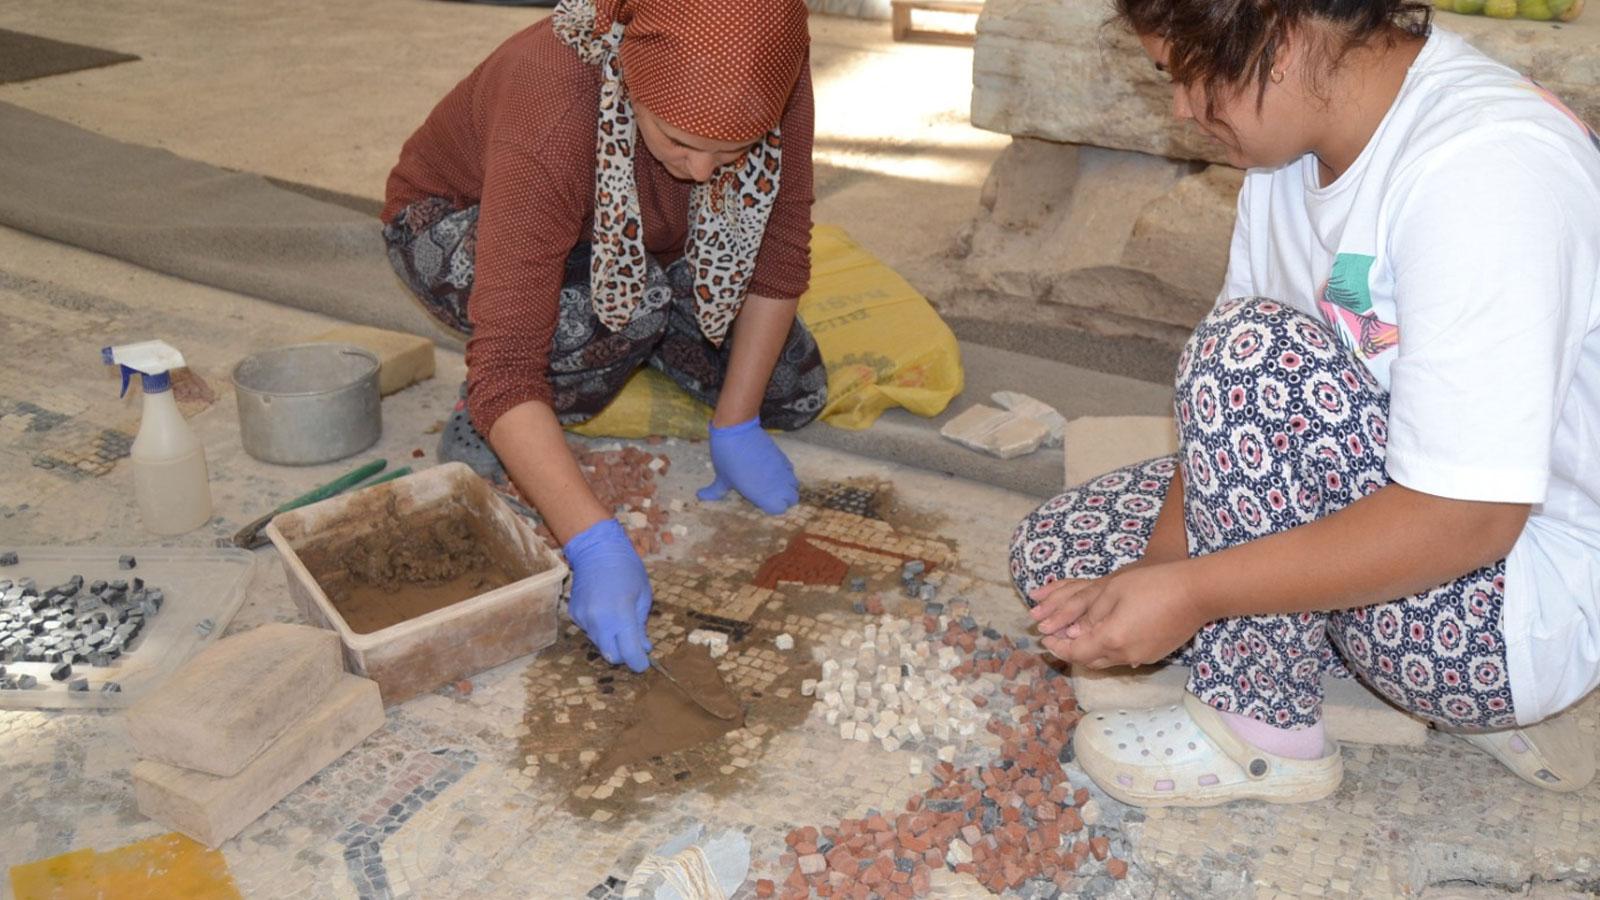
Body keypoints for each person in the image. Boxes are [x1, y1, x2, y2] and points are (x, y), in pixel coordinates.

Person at [1011, 0, 1600, 805]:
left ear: (1279, 40)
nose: (1182, 107)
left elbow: (1471, 516)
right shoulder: (1291, 158)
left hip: (1511, 597)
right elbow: (1228, 418)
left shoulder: (1487, 170)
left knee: (1253, 355)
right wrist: (1153, 574)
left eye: (1188, 73)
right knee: (1065, 560)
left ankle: (1263, 733)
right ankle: (1302, 639)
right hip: (1389, 498)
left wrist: (1193, 593)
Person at [381, 0, 827, 675]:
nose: (703, 173)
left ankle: (619, 341)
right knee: (624, 313)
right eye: (680, 141)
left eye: (732, 153)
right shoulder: (552, 101)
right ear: (632, 77)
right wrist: (592, 540)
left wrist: (736, 422)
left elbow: (782, 246)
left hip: (638, 231)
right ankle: (509, 413)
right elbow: (505, 364)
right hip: (466, 222)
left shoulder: (770, 69)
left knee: (793, 388)